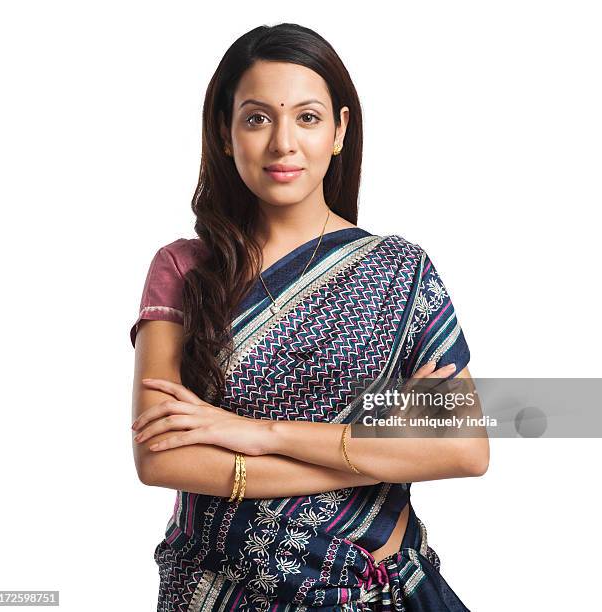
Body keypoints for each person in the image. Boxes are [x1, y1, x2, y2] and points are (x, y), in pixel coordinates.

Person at [130, 23, 489, 612]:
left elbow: (463, 447)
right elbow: (162, 456)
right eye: (256, 118)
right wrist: (371, 459)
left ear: (340, 131)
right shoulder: (185, 270)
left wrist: (258, 434)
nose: (283, 145)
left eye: (307, 117)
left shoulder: (399, 270)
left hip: (372, 589)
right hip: (222, 591)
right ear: (225, 133)